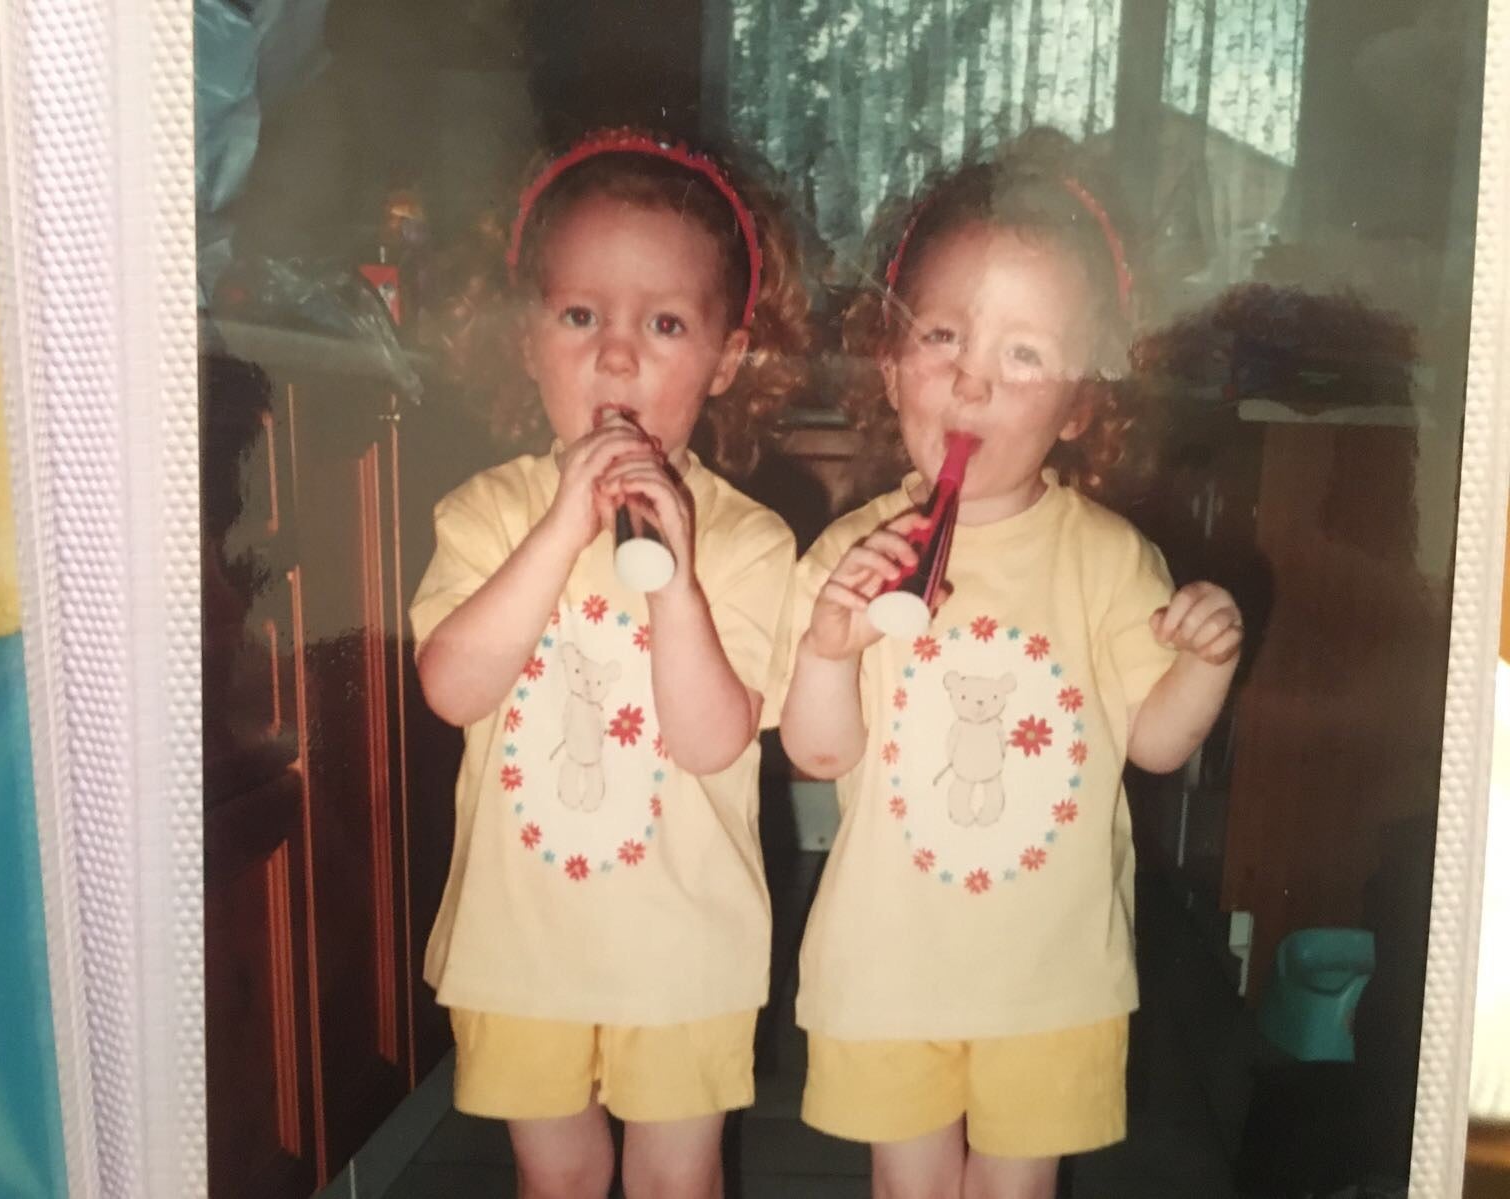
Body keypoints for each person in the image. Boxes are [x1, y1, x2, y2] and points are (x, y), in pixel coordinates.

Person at [776, 130, 1244, 1199]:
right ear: (889, 360)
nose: (971, 380)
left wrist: (1207, 664)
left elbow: (1156, 741)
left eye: (1023, 354)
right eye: (942, 336)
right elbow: (814, 749)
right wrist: (827, 647)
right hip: (892, 963)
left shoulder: (1106, 556)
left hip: (1053, 976)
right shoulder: (845, 559)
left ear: (1081, 401)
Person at [408, 128, 806, 1199]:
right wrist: (556, 527)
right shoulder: (488, 514)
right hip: (521, 944)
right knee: (559, 1174)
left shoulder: (750, 542)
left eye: (664, 323)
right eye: (580, 316)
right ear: (526, 340)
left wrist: (672, 575)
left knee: (680, 1178)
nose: (617, 357)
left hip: (684, 949)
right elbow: (452, 684)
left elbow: (715, 735)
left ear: (725, 357)